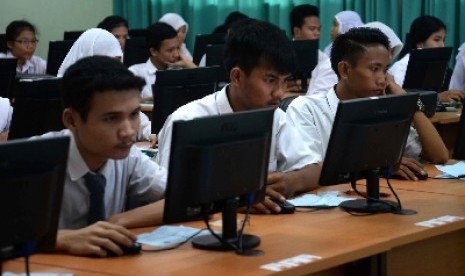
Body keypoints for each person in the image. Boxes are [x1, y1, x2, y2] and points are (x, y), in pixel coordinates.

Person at [156, 19, 321, 214]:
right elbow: (168, 196)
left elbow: (315, 169)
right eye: (270, 80)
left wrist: (289, 181)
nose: (279, 93)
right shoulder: (187, 120)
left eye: (284, 81)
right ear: (237, 77)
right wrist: (234, 198)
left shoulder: (274, 116)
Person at [34, 56, 167, 257]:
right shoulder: (34, 160)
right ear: (71, 120)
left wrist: (118, 221)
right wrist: (61, 239)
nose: (128, 132)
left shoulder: (128, 155)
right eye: (112, 118)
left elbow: (180, 197)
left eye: (134, 115)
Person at [286, 27, 448, 181]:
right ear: (344, 70)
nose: (382, 79)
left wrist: (409, 102)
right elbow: (308, 171)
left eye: (385, 70)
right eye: (374, 69)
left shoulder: (383, 108)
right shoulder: (306, 109)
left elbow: (439, 156)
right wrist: (379, 167)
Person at [57, 28, 154, 143]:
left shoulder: (117, 92)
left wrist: (152, 133)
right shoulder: (65, 94)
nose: (112, 69)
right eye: (106, 62)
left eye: (117, 62)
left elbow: (142, 123)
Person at [389, 15, 465, 102]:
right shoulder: (401, 68)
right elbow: (406, 102)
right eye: (436, 40)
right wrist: (438, 98)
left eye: (443, 40)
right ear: (420, 43)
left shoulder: (442, 68)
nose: (442, 45)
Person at [129, 22, 196, 101]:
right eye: (170, 50)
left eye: (178, 48)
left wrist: (188, 64)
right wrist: (156, 99)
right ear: (154, 51)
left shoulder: (181, 69)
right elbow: (130, 104)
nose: (176, 54)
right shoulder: (135, 73)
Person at [289, 4, 337, 95]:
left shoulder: (320, 56)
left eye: (319, 29)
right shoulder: (284, 53)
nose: (317, 33)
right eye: (312, 29)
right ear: (297, 31)